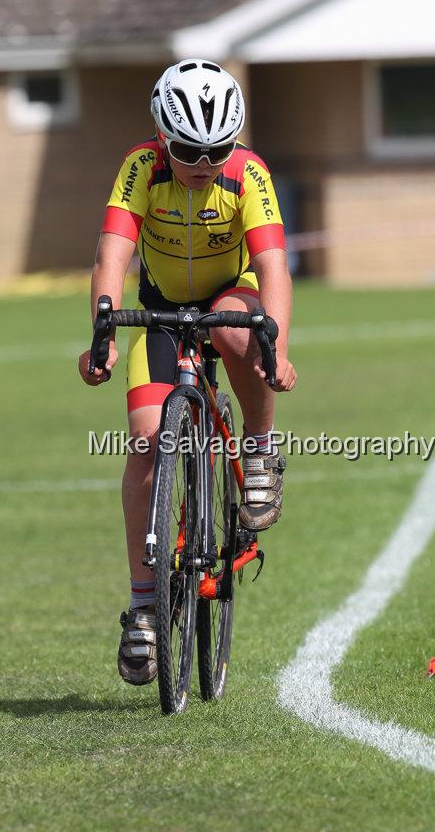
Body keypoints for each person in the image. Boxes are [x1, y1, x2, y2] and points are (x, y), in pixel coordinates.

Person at [78, 58, 296, 686]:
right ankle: (144, 608)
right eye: (187, 149)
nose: (203, 164)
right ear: (161, 137)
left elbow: (274, 263)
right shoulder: (141, 167)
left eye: (216, 149)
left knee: (236, 324)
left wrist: (276, 347)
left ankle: (258, 453)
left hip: (235, 292)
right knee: (147, 440)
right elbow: (111, 252)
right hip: (163, 311)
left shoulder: (247, 174)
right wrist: (102, 331)